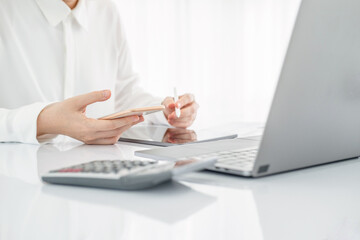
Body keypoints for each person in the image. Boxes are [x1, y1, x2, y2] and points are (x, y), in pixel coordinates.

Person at [0, 0, 199, 145]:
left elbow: (123, 95)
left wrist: (163, 110)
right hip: (20, 184)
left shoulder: (105, 10)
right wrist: (45, 121)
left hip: (98, 180)